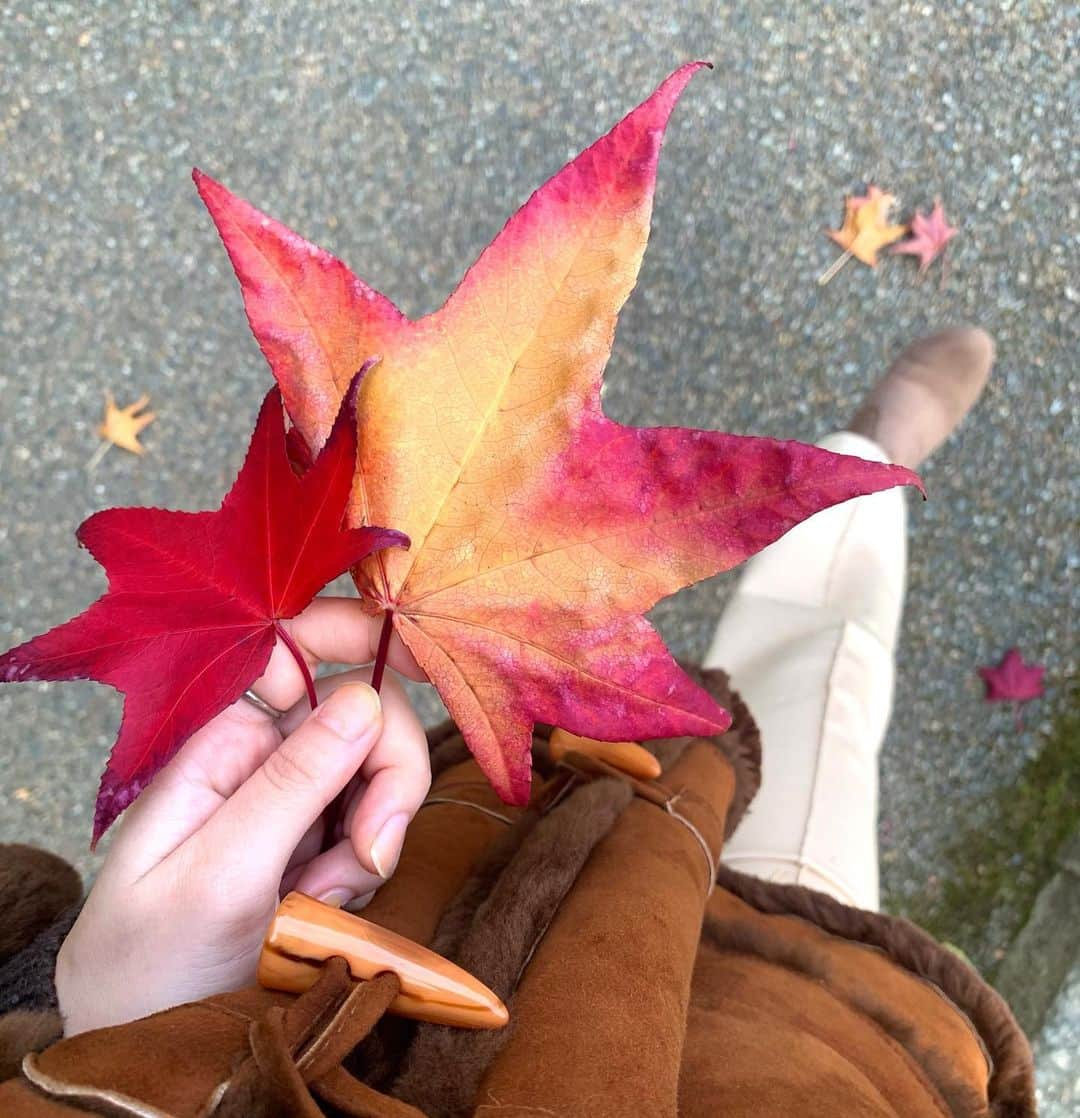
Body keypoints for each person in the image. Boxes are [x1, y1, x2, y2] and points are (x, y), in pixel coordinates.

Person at [0, 328, 1036, 1116]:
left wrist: (100, 1021)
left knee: (623, 717)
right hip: (779, 1024)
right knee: (821, 703)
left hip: (418, 873)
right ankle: (865, 477)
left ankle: (852, 487)